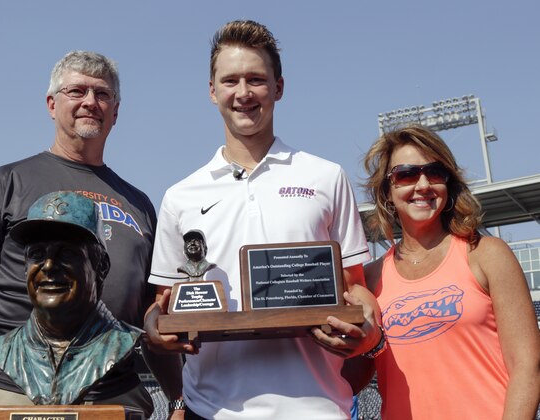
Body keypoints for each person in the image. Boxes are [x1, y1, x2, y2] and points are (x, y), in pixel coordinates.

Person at [144, 20, 383, 419]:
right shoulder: (180, 196)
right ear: (212, 90)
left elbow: (355, 291)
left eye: (256, 79)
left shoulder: (324, 177)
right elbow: (162, 305)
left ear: (278, 87)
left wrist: (368, 333)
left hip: (317, 408)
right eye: (230, 80)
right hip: (213, 410)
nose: (243, 93)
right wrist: (154, 329)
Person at [0, 51, 182, 419]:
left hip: (114, 392)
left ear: (116, 109)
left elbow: (151, 311)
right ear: (51, 104)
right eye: (76, 91)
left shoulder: (139, 204)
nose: (90, 102)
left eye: (102, 94)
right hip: (12, 390)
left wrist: (177, 399)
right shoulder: (6, 183)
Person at [362, 125, 540, 419]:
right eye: (406, 174)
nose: (422, 185)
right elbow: (355, 374)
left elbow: (526, 366)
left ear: (449, 183)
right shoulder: (370, 279)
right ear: (387, 192)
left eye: (434, 172)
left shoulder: (487, 254)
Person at [0, 191, 144, 406]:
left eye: (66, 254)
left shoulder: (122, 342)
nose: (48, 266)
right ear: (24, 268)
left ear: (101, 267)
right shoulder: (6, 349)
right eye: (37, 254)